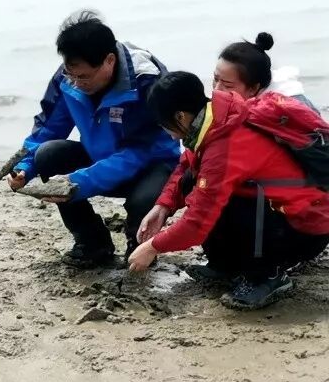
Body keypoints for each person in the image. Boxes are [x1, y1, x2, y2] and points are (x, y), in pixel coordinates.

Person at [129, 71, 329, 310]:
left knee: (228, 200)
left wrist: (152, 247)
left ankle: (266, 277)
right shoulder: (215, 120)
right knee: (197, 181)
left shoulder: (225, 144)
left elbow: (196, 224)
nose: (168, 134)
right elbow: (186, 166)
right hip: (283, 212)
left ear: (180, 116)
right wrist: (162, 207)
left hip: (305, 225)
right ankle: (226, 265)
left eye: (164, 125)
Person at [7, 11, 180, 267]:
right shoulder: (69, 76)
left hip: (151, 165)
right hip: (100, 158)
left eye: (84, 77)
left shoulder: (146, 81)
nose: (76, 83)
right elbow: (49, 127)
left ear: (110, 60)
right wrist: (24, 168)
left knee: (142, 201)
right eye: (71, 75)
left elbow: (139, 151)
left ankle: (139, 245)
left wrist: (77, 182)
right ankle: (92, 243)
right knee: (47, 154)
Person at [213, 32, 319, 111]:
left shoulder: (288, 111)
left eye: (227, 85)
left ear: (253, 88)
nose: (216, 90)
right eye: (216, 79)